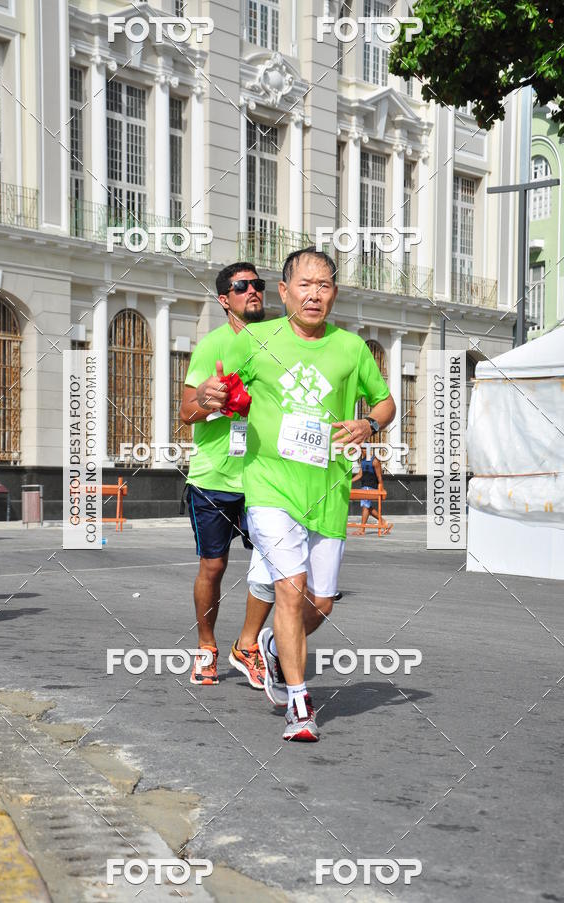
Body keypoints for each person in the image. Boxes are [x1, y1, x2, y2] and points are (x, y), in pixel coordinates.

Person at [219, 247, 396, 741]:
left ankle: (276, 647)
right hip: (270, 484)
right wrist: (216, 399)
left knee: (320, 603)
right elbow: (212, 393)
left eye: (324, 286)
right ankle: (300, 703)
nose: (314, 294)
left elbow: (385, 403)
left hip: (329, 487)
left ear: (334, 293)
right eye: (305, 284)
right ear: (284, 291)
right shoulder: (255, 338)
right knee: (290, 591)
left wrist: (367, 422)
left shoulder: (351, 348)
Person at [179, 263, 275, 688]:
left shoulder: (278, 340)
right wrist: (214, 402)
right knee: (213, 566)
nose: (252, 291)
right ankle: (206, 646)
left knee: (273, 564)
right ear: (225, 299)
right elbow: (186, 413)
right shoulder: (211, 346)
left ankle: (248, 645)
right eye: (242, 286)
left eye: (258, 285)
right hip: (214, 477)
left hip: (266, 476)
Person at [352, 452, 392, 534]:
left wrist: (381, 488)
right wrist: (349, 482)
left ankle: (362, 530)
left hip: (370, 486)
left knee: (365, 507)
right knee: (367, 507)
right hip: (364, 486)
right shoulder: (363, 460)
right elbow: (360, 475)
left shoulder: (375, 461)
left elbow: (379, 476)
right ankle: (384, 522)